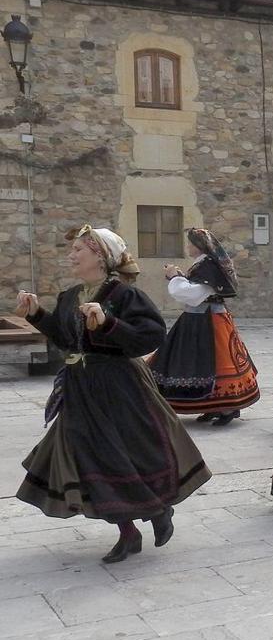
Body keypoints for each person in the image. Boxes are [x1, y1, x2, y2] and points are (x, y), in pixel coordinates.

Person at [16, 225, 211, 562]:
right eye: (73, 250)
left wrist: (109, 323)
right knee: (89, 459)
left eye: (79, 250)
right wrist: (37, 315)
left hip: (120, 387)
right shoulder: (68, 296)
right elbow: (65, 340)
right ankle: (128, 531)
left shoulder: (123, 296)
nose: (71, 255)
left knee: (125, 455)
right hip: (81, 388)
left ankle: (157, 510)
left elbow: (151, 336)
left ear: (100, 257)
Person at [149, 228, 259, 425]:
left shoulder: (208, 265)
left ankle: (227, 408)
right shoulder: (204, 265)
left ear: (200, 246)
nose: (188, 246)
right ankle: (211, 406)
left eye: (191, 243)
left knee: (214, 362)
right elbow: (198, 289)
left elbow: (194, 294)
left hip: (209, 321)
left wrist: (175, 277)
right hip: (198, 319)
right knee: (201, 362)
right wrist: (179, 276)